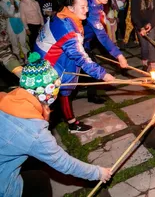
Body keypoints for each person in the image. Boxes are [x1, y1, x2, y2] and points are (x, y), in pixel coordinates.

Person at [0, 52, 112, 197]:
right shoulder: (36, 134)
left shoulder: (4, 97)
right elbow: (64, 163)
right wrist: (98, 173)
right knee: (40, 183)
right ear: (48, 97)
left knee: (37, 173)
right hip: (4, 186)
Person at [35, 0, 116, 132]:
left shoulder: (65, 15)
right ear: (71, 8)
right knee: (48, 97)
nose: (87, 10)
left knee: (66, 88)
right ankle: (40, 131)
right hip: (49, 60)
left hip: (59, 55)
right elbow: (80, 57)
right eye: (82, 7)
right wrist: (104, 75)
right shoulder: (66, 28)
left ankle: (71, 122)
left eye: (87, 6)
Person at [83, 0, 128, 103]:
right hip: (79, 42)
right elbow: (102, 36)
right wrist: (119, 56)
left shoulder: (95, 0)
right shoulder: (90, 9)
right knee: (92, 66)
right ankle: (90, 96)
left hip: (86, 40)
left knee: (89, 67)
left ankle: (90, 92)